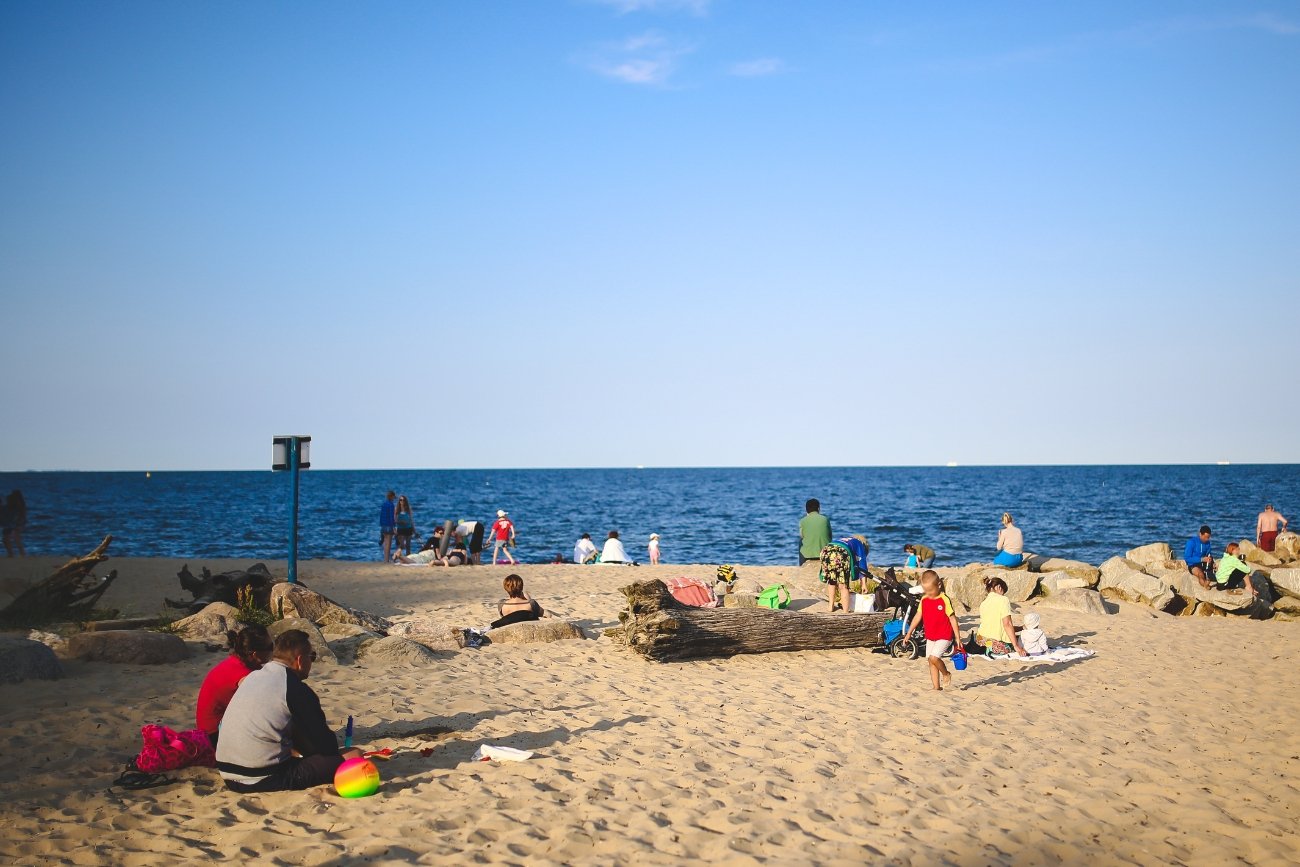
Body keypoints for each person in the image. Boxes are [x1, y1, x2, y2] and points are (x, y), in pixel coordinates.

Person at [215, 629, 362, 792]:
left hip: (227, 773)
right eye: (311, 657)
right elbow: (325, 746)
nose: (311, 662)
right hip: (261, 777)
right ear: (300, 660)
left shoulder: (253, 677)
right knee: (353, 756)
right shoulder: (294, 688)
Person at [196, 625, 273, 747]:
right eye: (270, 647)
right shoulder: (243, 676)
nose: (273, 650)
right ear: (254, 654)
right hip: (214, 735)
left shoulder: (238, 662)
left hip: (209, 729)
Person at [902, 570, 962, 690]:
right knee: (930, 661)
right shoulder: (924, 600)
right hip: (931, 635)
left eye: (931, 591)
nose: (928, 594)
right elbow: (918, 616)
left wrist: (957, 637)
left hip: (945, 635)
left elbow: (952, 619)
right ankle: (936, 687)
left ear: (939, 585)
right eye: (926, 591)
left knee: (934, 658)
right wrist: (908, 633)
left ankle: (946, 674)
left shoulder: (944, 599)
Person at [975, 576, 1028, 657]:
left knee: (1015, 638)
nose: (1003, 594)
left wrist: (1021, 628)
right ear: (999, 587)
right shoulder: (1003, 599)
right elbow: (1007, 624)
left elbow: (996, 626)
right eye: (1003, 591)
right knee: (1022, 642)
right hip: (994, 645)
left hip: (980, 640)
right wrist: (1016, 646)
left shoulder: (983, 603)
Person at [799, 499, 831, 566]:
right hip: (824, 553)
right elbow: (830, 536)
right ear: (818, 509)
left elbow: (802, 536)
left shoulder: (802, 521)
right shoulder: (825, 519)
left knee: (800, 542)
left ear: (806, 510)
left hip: (807, 554)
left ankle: (802, 565)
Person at [3, 490, 26, 557]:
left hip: (16, 523)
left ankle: (18, 554)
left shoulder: (18, 504)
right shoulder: (18, 503)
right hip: (13, 523)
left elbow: (20, 516)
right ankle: (13, 554)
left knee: (15, 538)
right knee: (9, 538)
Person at [379, 491, 397, 562]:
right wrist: (394, 527)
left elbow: (381, 516)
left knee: (385, 543)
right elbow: (391, 517)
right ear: (392, 497)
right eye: (393, 497)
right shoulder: (391, 505)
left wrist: (381, 524)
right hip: (389, 526)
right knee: (388, 544)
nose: (394, 498)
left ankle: (385, 559)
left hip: (383, 525)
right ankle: (387, 560)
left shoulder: (384, 504)